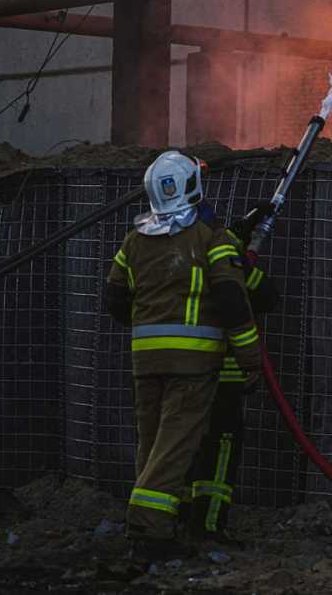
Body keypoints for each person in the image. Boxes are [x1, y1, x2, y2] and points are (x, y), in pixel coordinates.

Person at [103, 152, 264, 563]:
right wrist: (249, 355)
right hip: (192, 366)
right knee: (175, 445)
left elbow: (115, 300)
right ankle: (148, 527)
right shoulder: (210, 238)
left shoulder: (134, 241)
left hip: (145, 363)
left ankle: (158, 521)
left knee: (153, 444)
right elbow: (232, 299)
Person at [184, 202, 282, 546]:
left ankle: (174, 521)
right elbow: (264, 298)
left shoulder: (161, 252)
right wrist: (241, 258)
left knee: (178, 445)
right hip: (220, 374)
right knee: (220, 447)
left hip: (174, 372)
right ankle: (208, 526)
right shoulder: (224, 260)